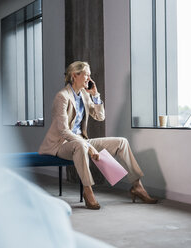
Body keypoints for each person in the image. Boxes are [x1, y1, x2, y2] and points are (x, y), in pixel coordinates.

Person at [39, 61, 157, 210]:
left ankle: (137, 186)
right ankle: (88, 191)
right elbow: (63, 131)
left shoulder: (84, 95)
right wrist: (88, 147)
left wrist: (95, 95)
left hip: (81, 141)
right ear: (75, 75)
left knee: (122, 142)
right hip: (60, 144)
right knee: (81, 144)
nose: (89, 78)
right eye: (86, 75)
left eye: (89, 75)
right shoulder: (62, 97)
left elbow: (100, 117)